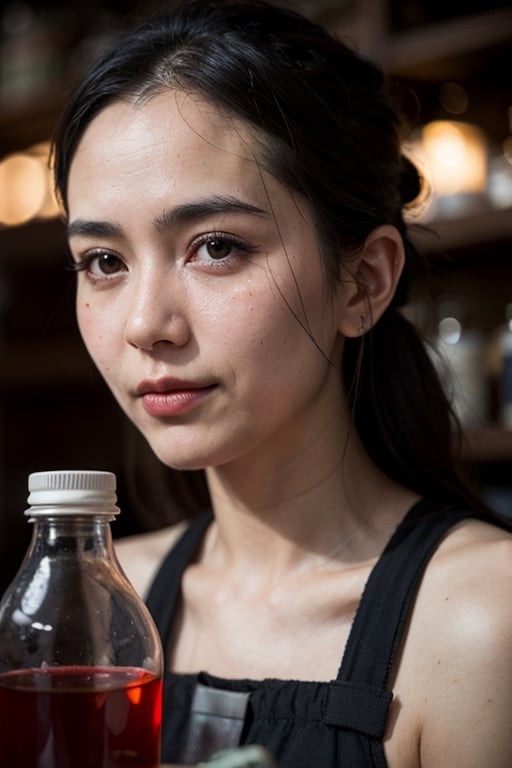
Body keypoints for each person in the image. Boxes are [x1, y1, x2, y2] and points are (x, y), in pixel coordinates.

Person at [51, 1, 512, 765]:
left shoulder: (480, 620)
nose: (145, 324)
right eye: (104, 261)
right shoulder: (103, 597)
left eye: (216, 246)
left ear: (363, 282)